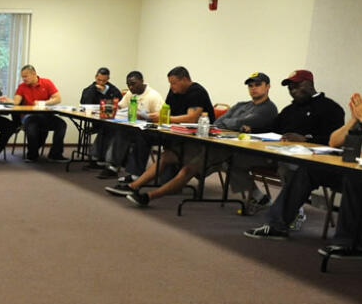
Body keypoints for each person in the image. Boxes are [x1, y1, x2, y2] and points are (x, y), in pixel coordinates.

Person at [245, 75, 362, 259]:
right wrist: (354, 120)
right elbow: (334, 141)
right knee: (310, 169)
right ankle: (276, 226)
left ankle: (349, 244)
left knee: (356, 178)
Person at [120, 72, 277, 208]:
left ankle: (149, 197)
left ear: (268, 87)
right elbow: (220, 121)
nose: (253, 88)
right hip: (215, 142)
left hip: (235, 150)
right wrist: (234, 124)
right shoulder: (242, 105)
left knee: (189, 168)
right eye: (250, 85)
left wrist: (233, 123)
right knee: (169, 154)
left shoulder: (268, 109)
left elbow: (232, 122)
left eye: (258, 84)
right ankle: (133, 186)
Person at [104, 65, 214, 196]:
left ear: (184, 79)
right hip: (172, 130)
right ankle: (135, 175)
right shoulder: (174, 91)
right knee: (142, 134)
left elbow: (191, 118)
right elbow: (165, 110)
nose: (171, 87)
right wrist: (150, 116)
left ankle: (140, 181)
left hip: (192, 136)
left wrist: (165, 118)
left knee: (166, 178)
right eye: (170, 83)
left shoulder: (197, 92)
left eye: (174, 83)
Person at [95, 70, 164, 181]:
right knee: (116, 130)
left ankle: (129, 171)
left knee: (127, 134)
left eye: (133, 84)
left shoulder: (153, 96)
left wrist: (144, 116)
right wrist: (110, 109)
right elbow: (121, 107)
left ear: (142, 81)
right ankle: (110, 165)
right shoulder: (131, 93)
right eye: (128, 85)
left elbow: (161, 116)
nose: (131, 87)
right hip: (133, 127)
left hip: (149, 130)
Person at [1, 64, 64, 162]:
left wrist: (44, 103)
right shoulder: (22, 87)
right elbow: (16, 102)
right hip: (28, 115)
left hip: (45, 115)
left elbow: (58, 99)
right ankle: (32, 155)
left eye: (26, 76)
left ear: (34, 74)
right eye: (22, 77)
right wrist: (7, 100)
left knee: (61, 124)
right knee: (32, 125)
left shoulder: (47, 83)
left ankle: (55, 154)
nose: (24, 79)